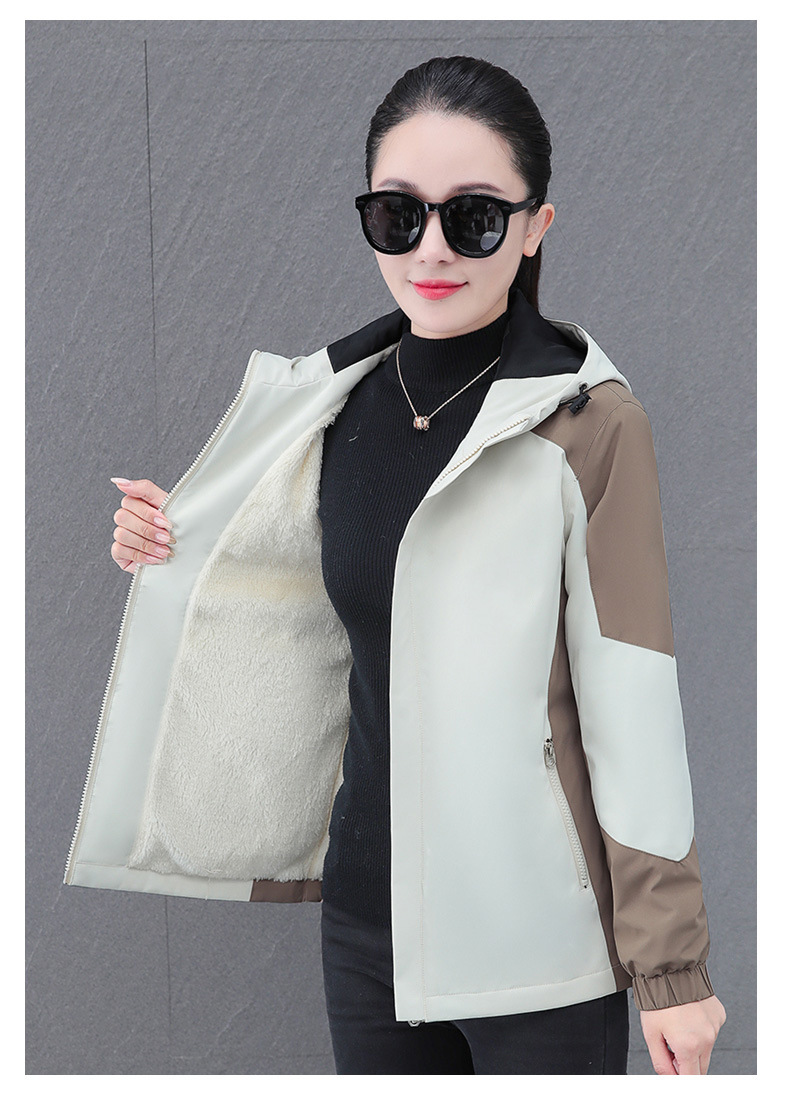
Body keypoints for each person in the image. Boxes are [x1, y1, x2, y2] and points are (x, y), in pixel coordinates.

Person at [64, 55, 726, 1074]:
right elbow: (285, 610)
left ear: (536, 227)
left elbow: (631, 702)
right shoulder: (325, 412)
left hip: (535, 947)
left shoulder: (588, 425)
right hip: (365, 936)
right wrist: (165, 545)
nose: (432, 248)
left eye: (475, 217)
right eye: (398, 214)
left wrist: (671, 972)